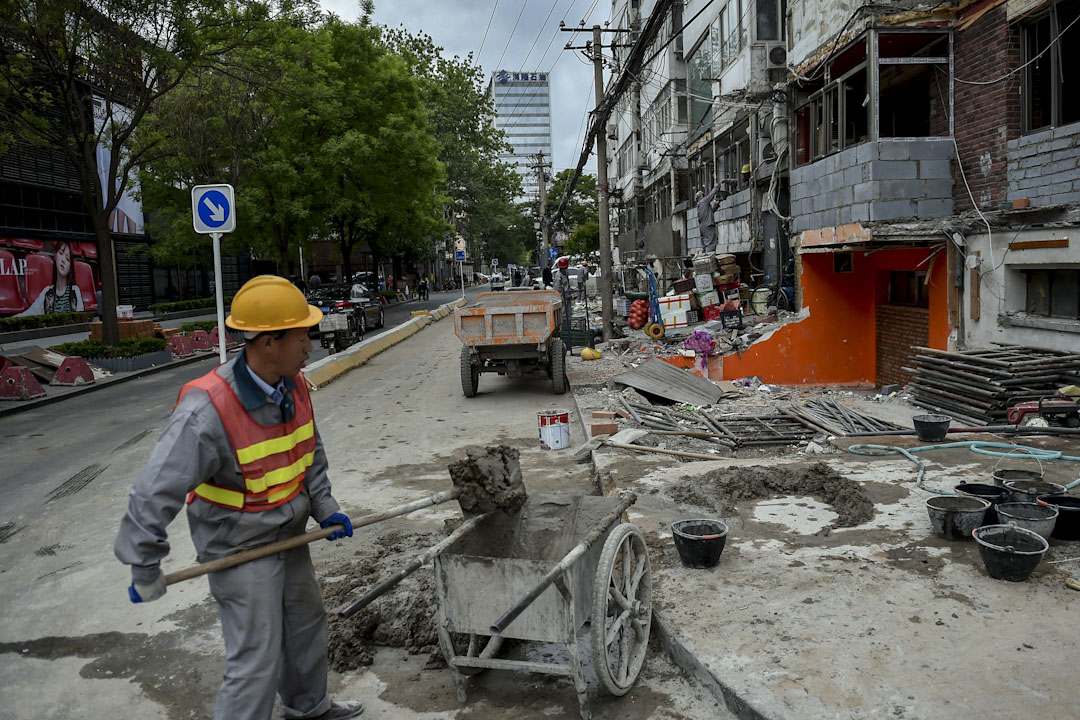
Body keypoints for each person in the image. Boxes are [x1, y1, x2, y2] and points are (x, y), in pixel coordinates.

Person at [114, 275, 364, 720]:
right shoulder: (207, 410)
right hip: (238, 544)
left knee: (306, 626)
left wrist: (325, 508)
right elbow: (153, 493)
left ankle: (308, 708)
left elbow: (310, 451)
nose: (311, 343)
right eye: (302, 334)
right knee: (256, 657)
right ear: (268, 342)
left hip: (288, 532)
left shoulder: (294, 384)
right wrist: (144, 563)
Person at [17, 240, 84, 316]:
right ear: (55, 256)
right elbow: (30, 313)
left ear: (70, 269)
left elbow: (80, 320)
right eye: (61, 254)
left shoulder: (75, 291)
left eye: (67, 259)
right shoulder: (47, 292)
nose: (63, 260)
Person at [552, 256, 572, 327]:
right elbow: (557, 288)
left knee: (568, 314)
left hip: (567, 297)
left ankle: (568, 328)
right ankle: (563, 329)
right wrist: (560, 297)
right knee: (563, 315)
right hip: (562, 298)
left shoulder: (565, 274)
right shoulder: (558, 276)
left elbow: (567, 285)